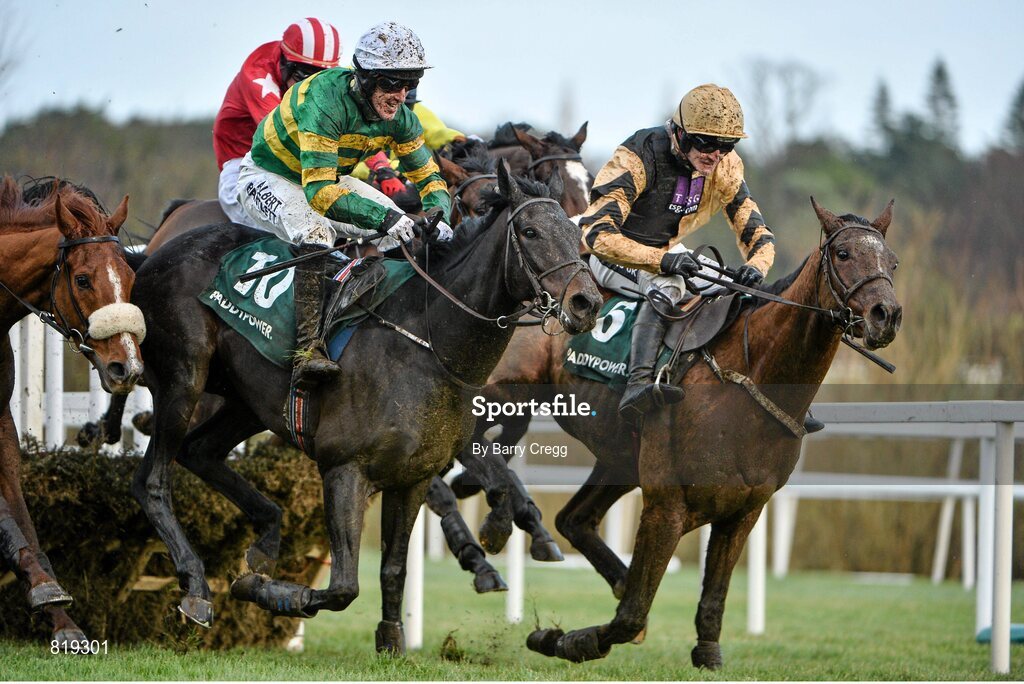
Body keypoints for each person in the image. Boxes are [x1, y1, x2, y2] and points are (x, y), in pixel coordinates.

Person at [237, 22, 453, 385]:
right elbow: (319, 195)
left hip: (329, 176)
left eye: (409, 84)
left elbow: (429, 178)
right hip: (269, 176)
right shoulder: (324, 101)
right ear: (366, 78)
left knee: (401, 233)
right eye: (391, 83)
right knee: (317, 231)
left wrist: (439, 214)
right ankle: (308, 350)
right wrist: (383, 217)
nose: (400, 95)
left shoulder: (402, 118)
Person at [579, 84, 775, 423]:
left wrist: (756, 268)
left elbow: (757, 233)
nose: (716, 154)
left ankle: (773, 394)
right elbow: (597, 233)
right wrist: (662, 261)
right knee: (668, 284)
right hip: (611, 252)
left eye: (727, 145)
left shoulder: (726, 166)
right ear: (680, 133)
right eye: (706, 143)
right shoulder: (638, 154)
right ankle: (638, 384)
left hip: (668, 250)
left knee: (744, 291)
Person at [213, 18, 343, 226]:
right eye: (304, 78)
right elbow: (287, 136)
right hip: (244, 167)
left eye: (321, 80)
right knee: (300, 225)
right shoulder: (257, 74)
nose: (311, 89)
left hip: (291, 166)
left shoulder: (314, 71)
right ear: (285, 63)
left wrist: (381, 167)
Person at [355, 87, 466, 212]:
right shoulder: (355, 111)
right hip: (358, 182)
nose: (399, 110)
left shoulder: (411, 112)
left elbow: (436, 131)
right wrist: (385, 172)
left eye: (406, 105)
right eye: (392, 103)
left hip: (394, 179)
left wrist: (457, 138)